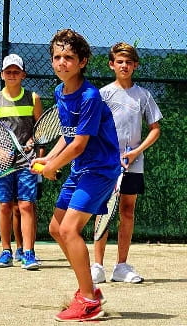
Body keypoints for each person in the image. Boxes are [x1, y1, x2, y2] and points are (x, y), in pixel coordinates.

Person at [32, 29, 120, 322]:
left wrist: (53, 166)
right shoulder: (60, 92)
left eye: (68, 57)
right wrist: (49, 159)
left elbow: (81, 143)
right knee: (57, 228)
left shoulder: (89, 97)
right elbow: (67, 136)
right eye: (57, 57)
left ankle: (88, 301)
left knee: (70, 229)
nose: (61, 63)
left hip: (100, 169)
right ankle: (90, 292)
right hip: (80, 168)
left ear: (82, 61)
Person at [91, 42, 162, 284]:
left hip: (133, 163)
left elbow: (154, 129)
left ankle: (121, 266)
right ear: (112, 64)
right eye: (119, 61)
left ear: (135, 65)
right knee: (103, 211)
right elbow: (93, 129)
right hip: (106, 164)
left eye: (129, 62)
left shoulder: (143, 95)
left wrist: (136, 152)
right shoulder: (103, 94)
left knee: (127, 211)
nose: (124, 65)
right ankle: (97, 266)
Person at [0, 53, 43, 270]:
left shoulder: (34, 98)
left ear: (23, 75)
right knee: (5, 205)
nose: (12, 75)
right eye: (8, 71)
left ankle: (28, 252)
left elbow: (41, 129)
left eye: (15, 71)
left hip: (27, 160)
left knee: (26, 205)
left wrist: (32, 141)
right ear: (2, 74)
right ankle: (6, 251)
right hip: (3, 162)